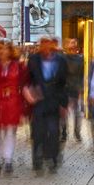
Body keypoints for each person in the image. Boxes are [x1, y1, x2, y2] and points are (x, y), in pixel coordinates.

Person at [24, 35, 68, 172]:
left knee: (54, 131)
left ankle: (52, 158)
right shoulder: (33, 60)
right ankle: (37, 159)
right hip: (38, 101)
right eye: (42, 43)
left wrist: (64, 104)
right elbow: (28, 80)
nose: (45, 46)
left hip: (54, 101)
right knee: (38, 132)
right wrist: (28, 96)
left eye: (47, 43)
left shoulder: (61, 60)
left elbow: (63, 84)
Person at [0, 42, 25, 175]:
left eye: (5, 49)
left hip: (12, 101)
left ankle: (8, 160)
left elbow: (23, 84)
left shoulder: (17, 66)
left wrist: (24, 107)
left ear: (10, 51)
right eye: (0, 49)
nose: (2, 51)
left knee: (10, 131)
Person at [62, 38, 85, 144]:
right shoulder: (63, 58)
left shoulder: (80, 59)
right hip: (65, 88)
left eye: (74, 45)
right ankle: (64, 133)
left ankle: (77, 133)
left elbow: (82, 75)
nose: (72, 47)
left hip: (75, 88)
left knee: (77, 113)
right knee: (64, 113)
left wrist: (81, 87)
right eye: (71, 44)